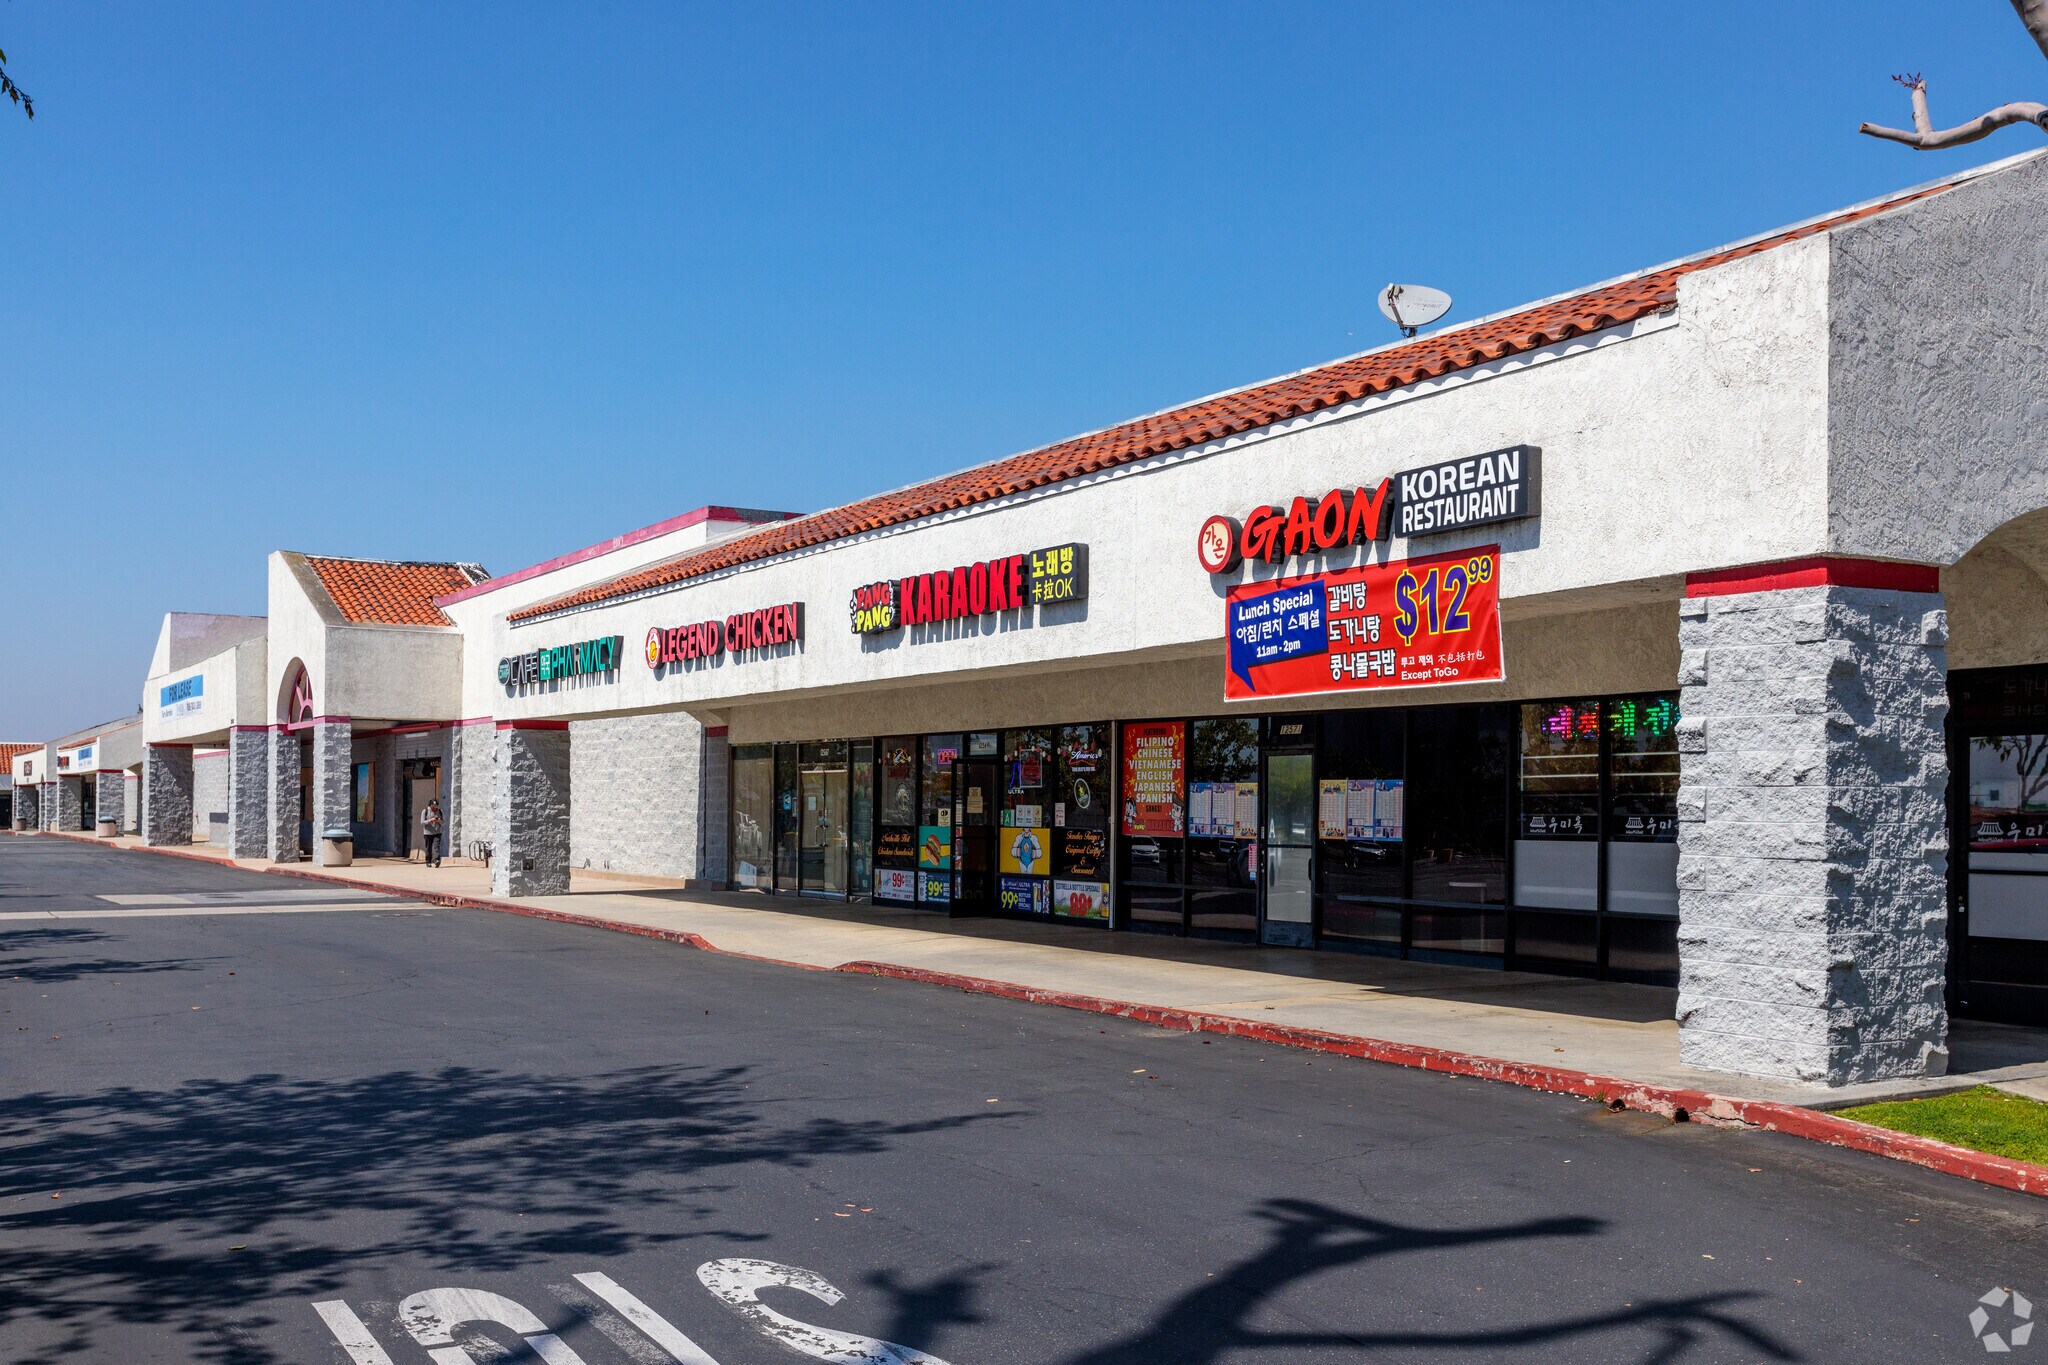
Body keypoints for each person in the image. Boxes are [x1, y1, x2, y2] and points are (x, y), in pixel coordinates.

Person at [422, 798, 445, 868]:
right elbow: (422, 822)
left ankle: (437, 860)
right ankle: (428, 861)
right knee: (428, 848)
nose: (434, 807)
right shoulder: (425, 811)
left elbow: (443, 822)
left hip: (437, 832)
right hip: (428, 833)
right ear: (430, 805)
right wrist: (430, 820)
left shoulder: (440, 811)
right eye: (433, 805)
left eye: (436, 805)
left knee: (436, 847)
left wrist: (439, 821)